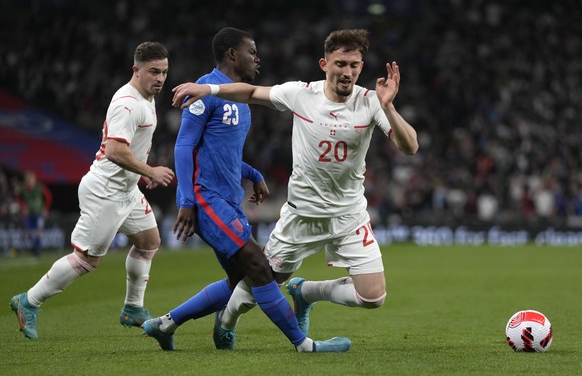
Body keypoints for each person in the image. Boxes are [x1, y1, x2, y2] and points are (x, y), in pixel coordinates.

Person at [171, 29, 419, 348]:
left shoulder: (371, 102)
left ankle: (306, 292)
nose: (348, 72)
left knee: (373, 297)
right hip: (301, 217)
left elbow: (410, 146)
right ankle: (226, 321)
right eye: (340, 63)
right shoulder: (301, 94)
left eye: (355, 65)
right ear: (324, 64)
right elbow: (250, 92)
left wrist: (389, 107)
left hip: (349, 217)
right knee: (260, 284)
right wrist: (207, 88)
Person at [141, 27, 350, 353]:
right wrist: (186, 200)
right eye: (251, 51)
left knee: (241, 280)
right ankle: (303, 344)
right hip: (207, 198)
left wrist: (252, 173)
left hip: (229, 199)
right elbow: (184, 146)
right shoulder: (204, 91)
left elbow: (224, 155)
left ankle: (165, 324)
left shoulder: (240, 101)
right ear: (231, 54)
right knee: (259, 266)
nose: (258, 58)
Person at [10, 41, 175, 340]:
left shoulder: (147, 96)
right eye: (154, 72)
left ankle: (133, 308)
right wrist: (150, 170)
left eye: (164, 72)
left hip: (127, 190)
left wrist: (141, 174)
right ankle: (28, 301)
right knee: (87, 260)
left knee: (149, 242)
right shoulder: (127, 103)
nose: (161, 78)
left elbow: (131, 148)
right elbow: (114, 150)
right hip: (105, 192)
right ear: (136, 70)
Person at [17, 170, 53, 257]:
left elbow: (48, 197)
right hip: (29, 215)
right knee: (30, 232)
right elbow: (19, 199)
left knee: (38, 231)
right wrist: (23, 208)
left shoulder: (39, 187)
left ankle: (37, 249)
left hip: (38, 213)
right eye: (29, 180)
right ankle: (34, 247)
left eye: (32, 179)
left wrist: (46, 209)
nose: (30, 182)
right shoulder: (23, 189)